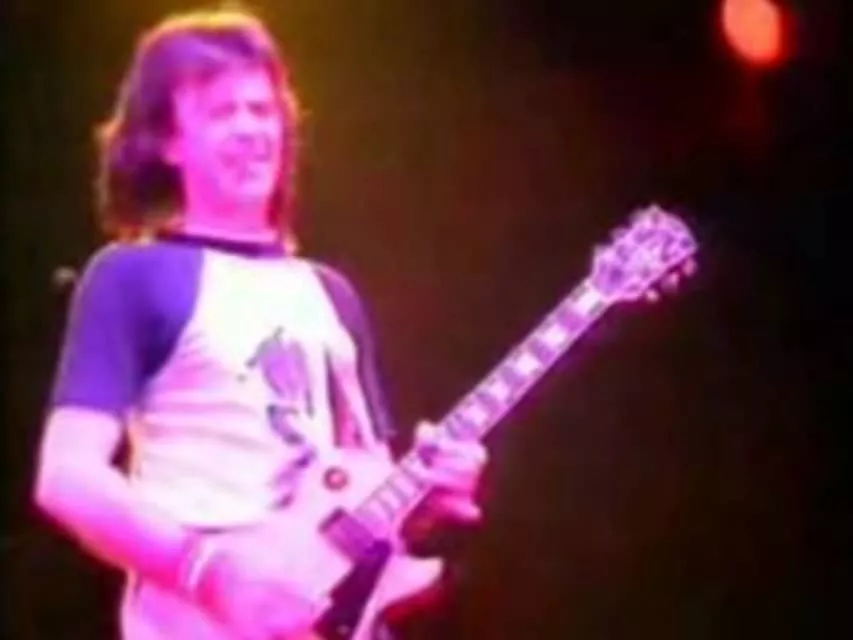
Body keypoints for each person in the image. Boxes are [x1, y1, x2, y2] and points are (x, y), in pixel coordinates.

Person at [32, 7, 488, 640]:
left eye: (263, 110)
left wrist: (431, 499)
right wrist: (208, 574)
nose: (251, 129)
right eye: (223, 112)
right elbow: (67, 476)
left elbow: (369, 500)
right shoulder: (132, 275)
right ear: (168, 141)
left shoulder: (331, 294)